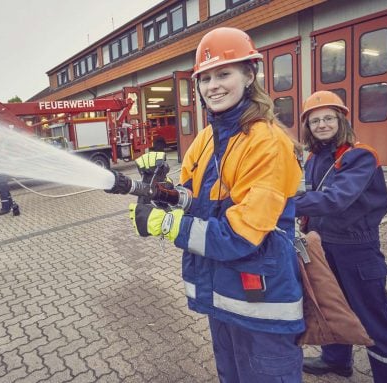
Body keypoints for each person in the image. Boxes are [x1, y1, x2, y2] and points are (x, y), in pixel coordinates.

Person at [129, 27, 304, 382]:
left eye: (224, 74)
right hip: (223, 294)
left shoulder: (267, 143)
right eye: (205, 78)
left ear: (249, 75)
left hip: (263, 304)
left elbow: (240, 235)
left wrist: (164, 225)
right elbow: (196, 199)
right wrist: (162, 190)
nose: (214, 86)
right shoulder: (208, 138)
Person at [294, 90, 387, 382]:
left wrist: (283, 205)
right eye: (315, 120)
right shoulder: (314, 158)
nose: (322, 125)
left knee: (374, 321)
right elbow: (308, 193)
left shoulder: (360, 155)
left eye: (328, 118)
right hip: (322, 245)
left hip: (357, 250)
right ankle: (336, 361)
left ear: (341, 120)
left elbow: (336, 199)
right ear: (308, 126)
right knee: (331, 305)